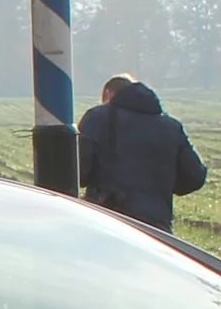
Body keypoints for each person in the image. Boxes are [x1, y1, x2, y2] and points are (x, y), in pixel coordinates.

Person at [76, 73, 207, 232]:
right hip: (156, 226)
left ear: (109, 94)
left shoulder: (97, 117)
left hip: (108, 220)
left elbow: (79, 170)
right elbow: (195, 177)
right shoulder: (171, 126)